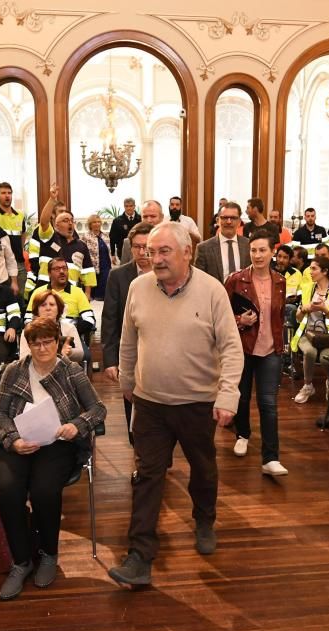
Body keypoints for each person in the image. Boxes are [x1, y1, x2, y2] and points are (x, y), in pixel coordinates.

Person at [109, 222, 243, 588]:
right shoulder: (138, 287)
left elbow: (232, 347)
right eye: (152, 252)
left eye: (165, 251)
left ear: (188, 252)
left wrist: (228, 394)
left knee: (203, 469)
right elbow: (128, 341)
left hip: (198, 403)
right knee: (148, 476)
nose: (156, 259)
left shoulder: (212, 291)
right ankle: (139, 556)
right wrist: (127, 383)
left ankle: (204, 519)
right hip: (150, 402)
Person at [0, 316, 106, 601]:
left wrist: (78, 425)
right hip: (19, 441)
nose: (41, 349)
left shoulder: (71, 371)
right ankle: (21, 561)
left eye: (47, 342)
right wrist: (13, 440)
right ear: (28, 346)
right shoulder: (15, 370)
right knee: (10, 490)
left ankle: (48, 554)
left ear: (58, 342)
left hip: (57, 443)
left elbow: (98, 409)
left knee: (44, 491)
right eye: (35, 343)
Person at [225, 229, 288, 475]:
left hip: (271, 349)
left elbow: (279, 316)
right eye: (253, 250)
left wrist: (280, 344)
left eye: (263, 250)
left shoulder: (280, 281)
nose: (258, 255)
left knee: (268, 403)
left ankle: (270, 458)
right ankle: (242, 434)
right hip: (243, 347)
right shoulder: (235, 280)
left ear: (273, 252)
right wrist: (241, 320)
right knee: (241, 396)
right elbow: (220, 316)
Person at [102, 222, 153, 443]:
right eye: (137, 247)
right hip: (130, 354)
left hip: (160, 356)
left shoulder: (168, 275)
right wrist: (110, 360)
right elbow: (110, 320)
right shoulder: (119, 276)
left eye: (147, 246)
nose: (142, 253)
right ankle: (138, 450)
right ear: (130, 248)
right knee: (132, 408)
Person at [291, 256, 329, 404]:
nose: (310, 272)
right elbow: (298, 318)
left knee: (326, 358)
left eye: (313, 268)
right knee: (310, 352)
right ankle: (308, 385)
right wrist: (305, 309)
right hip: (308, 334)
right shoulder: (306, 289)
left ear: (325, 271)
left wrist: (325, 310)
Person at [26, 210, 95, 298]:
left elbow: (87, 271)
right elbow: (43, 222)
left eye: (72, 220)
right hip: (46, 292)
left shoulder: (81, 246)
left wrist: (87, 294)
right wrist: (52, 200)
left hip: (70, 293)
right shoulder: (49, 239)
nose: (70, 223)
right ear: (56, 225)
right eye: (65, 221)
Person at [23, 256, 96, 339]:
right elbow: (28, 319)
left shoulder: (78, 292)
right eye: (57, 269)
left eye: (64, 268)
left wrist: (72, 332)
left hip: (71, 337)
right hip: (43, 338)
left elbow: (89, 319)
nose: (62, 271)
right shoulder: (38, 292)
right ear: (49, 273)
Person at [0, 182, 28, 296]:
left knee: (19, 297)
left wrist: (20, 250)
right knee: (3, 297)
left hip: (19, 263)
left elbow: (23, 234)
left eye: (9, 193)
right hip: (1, 264)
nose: (7, 195)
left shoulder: (20, 215)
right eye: (3, 193)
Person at [195, 201, 250, 283]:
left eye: (233, 218)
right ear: (217, 221)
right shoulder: (203, 248)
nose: (229, 222)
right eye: (224, 218)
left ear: (239, 222)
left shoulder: (249, 245)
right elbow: (198, 280)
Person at [22, 290, 84, 363]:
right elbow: (23, 359)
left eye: (52, 304)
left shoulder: (69, 327)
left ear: (58, 309)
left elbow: (81, 354)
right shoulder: (29, 330)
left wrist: (70, 352)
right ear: (37, 310)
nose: (48, 308)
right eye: (43, 305)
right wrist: (59, 354)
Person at [80, 214, 111, 299]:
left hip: (105, 265)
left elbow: (109, 250)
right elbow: (82, 252)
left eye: (98, 222)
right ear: (90, 224)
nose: (97, 224)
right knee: (93, 292)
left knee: (104, 291)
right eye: (94, 222)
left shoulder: (105, 236)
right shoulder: (86, 237)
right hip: (92, 266)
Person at [110, 197, 141, 261]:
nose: (129, 208)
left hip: (139, 251)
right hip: (122, 252)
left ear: (134, 206)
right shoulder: (117, 221)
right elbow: (112, 238)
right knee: (125, 270)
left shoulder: (141, 219)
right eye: (126, 206)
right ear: (124, 206)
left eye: (131, 206)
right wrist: (113, 254)